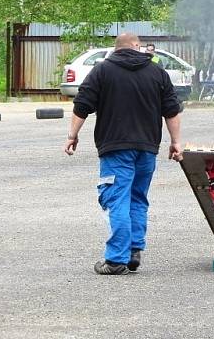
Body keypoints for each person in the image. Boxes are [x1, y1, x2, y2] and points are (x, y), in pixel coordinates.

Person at [64, 32, 184, 275]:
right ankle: (133, 251)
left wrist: (71, 136)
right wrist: (176, 142)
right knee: (138, 198)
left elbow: (82, 105)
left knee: (117, 199)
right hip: (147, 149)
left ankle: (117, 259)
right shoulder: (156, 72)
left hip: (115, 148)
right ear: (137, 47)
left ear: (116, 49)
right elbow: (171, 110)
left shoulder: (102, 71)